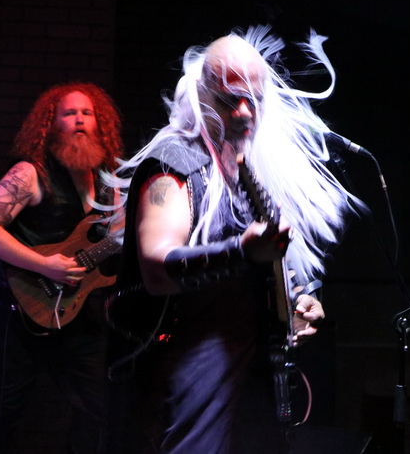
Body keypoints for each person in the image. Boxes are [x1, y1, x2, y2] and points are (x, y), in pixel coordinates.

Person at [106, 26, 363, 454]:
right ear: (201, 95)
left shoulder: (243, 168)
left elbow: (265, 264)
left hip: (247, 374)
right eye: (229, 100)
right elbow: (156, 268)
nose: (244, 112)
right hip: (185, 369)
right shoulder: (175, 164)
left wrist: (299, 299)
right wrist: (242, 251)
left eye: (254, 100)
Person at [0, 82, 124, 454]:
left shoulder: (108, 181)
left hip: (78, 311)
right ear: (51, 124)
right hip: (21, 309)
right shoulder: (30, 173)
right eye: (69, 113)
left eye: (87, 113)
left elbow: (116, 239)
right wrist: (44, 264)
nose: (79, 120)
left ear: (99, 123)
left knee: (98, 407)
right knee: (5, 409)